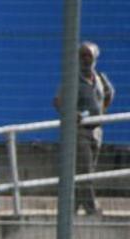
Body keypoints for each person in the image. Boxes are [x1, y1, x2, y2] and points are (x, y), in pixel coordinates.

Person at [53, 41, 115, 215]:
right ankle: (91, 207)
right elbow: (58, 101)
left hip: (96, 131)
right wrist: (73, 113)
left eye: (88, 55)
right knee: (85, 169)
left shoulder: (100, 78)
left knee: (86, 170)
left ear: (95, 57)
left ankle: (71, 206)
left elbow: (109, 95)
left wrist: (101, 111)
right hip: (80, 131)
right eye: (82, 55)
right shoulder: (72, 78)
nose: (85, 59)